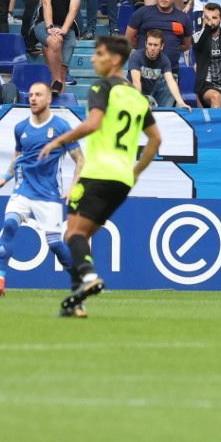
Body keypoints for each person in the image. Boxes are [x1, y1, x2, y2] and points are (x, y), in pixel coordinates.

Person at [37, 35, 163, 318]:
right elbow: (155, 139)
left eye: (99, 54)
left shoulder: (101, 86)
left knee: (72, 234)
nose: (93, 59)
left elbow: (93, 123)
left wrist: (58, 141)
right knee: (82, 239)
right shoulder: (136, 96)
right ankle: (77, 302)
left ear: (115, 60)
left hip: (96, 173)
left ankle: (90, 278)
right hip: (122, 179)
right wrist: (137, 170)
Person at [0, 82, 81, 296]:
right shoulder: (21, 128)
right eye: (31, 94)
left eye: (39, 95)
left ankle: (78, 277)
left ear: (48, 99)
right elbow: (19, 158)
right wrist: (4, 179)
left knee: (55, 244)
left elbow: (80, 160)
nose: (33, 98)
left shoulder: (62, 127)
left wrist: (74, 186)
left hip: (48, 193)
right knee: (9, 224)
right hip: (23, 189)